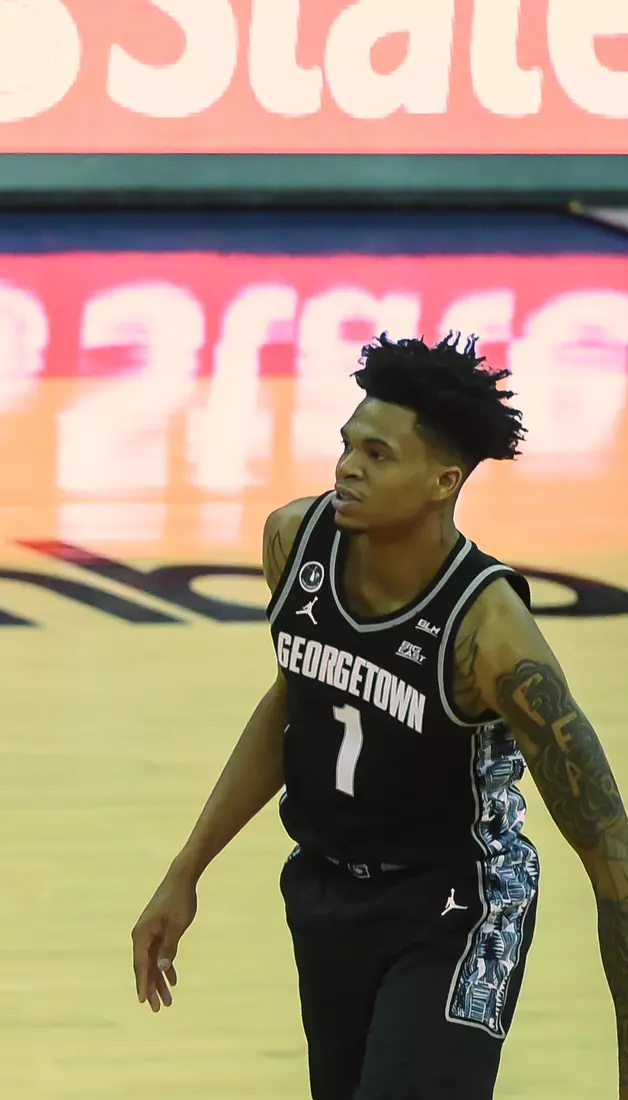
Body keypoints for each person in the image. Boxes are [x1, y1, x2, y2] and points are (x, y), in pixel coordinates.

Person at [131, 333, 628, 1099]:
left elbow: (612, 856)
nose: (348, 468)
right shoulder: (296, 541)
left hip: (458, 905)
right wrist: (185, 870)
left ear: (442, 481)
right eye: (347, 445)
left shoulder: (490, 635)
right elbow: (297, 700)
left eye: (379, 455)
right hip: (326, 892)